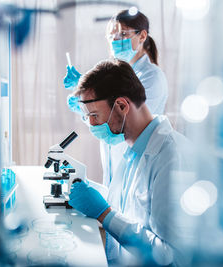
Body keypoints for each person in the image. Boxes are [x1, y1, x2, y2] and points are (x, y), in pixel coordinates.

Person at [68, 59, 193, 266]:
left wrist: (105, 214)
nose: (91, 125)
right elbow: (130, 211)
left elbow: (172, 257)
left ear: (122, 105)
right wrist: (91, 192)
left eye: (94, 115)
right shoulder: (133, 150)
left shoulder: (171, 157)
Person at [63, 9, 169, 190]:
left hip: (139, 164)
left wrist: (92, 97)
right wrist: (86, 105)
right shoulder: (119, 75)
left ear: (142, 35)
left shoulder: (152, 77)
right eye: (111, 36)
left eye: (122, 34)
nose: (115, 41)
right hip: (119, 168)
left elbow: (126, 121)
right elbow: (109, 118)